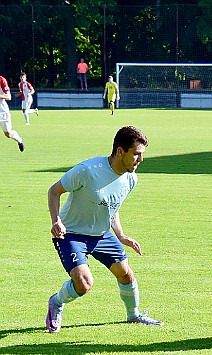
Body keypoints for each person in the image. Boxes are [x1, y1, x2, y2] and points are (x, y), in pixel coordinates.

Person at [46, 126, 164, 334]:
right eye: (136, 154)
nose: (141, 160)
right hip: (71, 233)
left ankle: (133, 314)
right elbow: (54, 191)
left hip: (102, 234)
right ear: (120, 151)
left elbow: (112, 207)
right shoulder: (87, 170)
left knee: (126, 274)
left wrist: (121, 235)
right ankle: (56, 303)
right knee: (83, 284)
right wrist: (56, 220)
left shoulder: (131, 179)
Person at [0, 75, 24, 152]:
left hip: (2, 111)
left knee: (8, 134)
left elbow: (8, 96)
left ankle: (19, 140)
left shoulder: (1, 80)